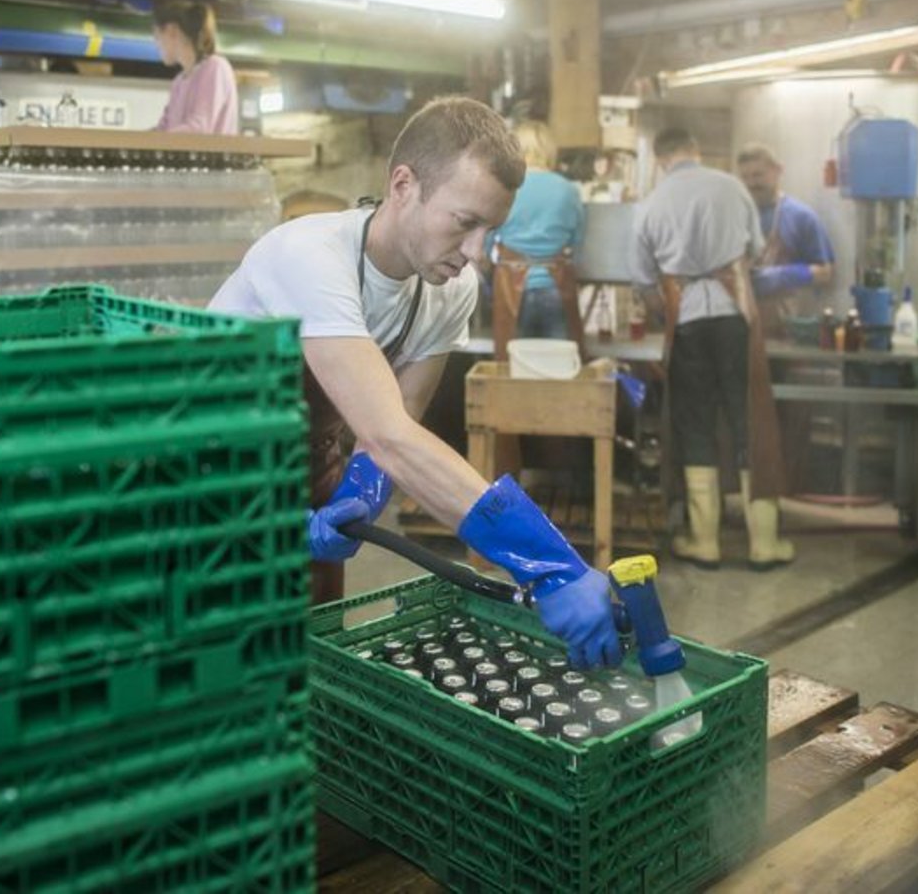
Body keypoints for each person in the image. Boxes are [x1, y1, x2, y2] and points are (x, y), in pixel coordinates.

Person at [209, 96, 621, 668]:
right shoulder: (307, 255)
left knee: (309, 661)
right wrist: (549, 562)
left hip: (309, 473)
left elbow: (401, 414)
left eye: (492, 231)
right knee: (222, 664)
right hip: (210, 480)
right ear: (403, 185)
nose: (478, 254)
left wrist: (356, 496)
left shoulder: (450, 290)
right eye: (465, 223)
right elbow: (387, 436)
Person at [631, 127, 794, 571]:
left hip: (685, 322)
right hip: (734, 316)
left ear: (662, 159)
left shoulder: (650, 203)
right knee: (749, 420)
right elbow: (756, 254)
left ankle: (705, 542)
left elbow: (644, 281)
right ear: (696, 150)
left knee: (696, 422)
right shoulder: (732, 187)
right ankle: (764, 542)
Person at [482, 120, 586, 351]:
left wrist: (489, 259)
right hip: (557, 286)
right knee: (558, 367)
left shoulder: (507, 187)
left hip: (510, 286)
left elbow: (487, 238)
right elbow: (577, 242)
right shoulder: (568, 190)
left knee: (513, 367)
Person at [735, 143, 835, 331]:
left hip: (786, 326)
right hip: (740, 323)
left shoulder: (801, 217)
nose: (751, 184)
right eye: (745, 177)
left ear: (778, 171)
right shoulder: (734, 216)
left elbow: (826, 272)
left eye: (758, 175)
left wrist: (784, 275)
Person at [151, 0, 238, 135]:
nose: (156, 44)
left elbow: (200, 127)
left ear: (172, 31)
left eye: (156, 36)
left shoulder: (215, 67)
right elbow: (163, 128)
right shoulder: (179, 82)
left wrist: (158, 140)